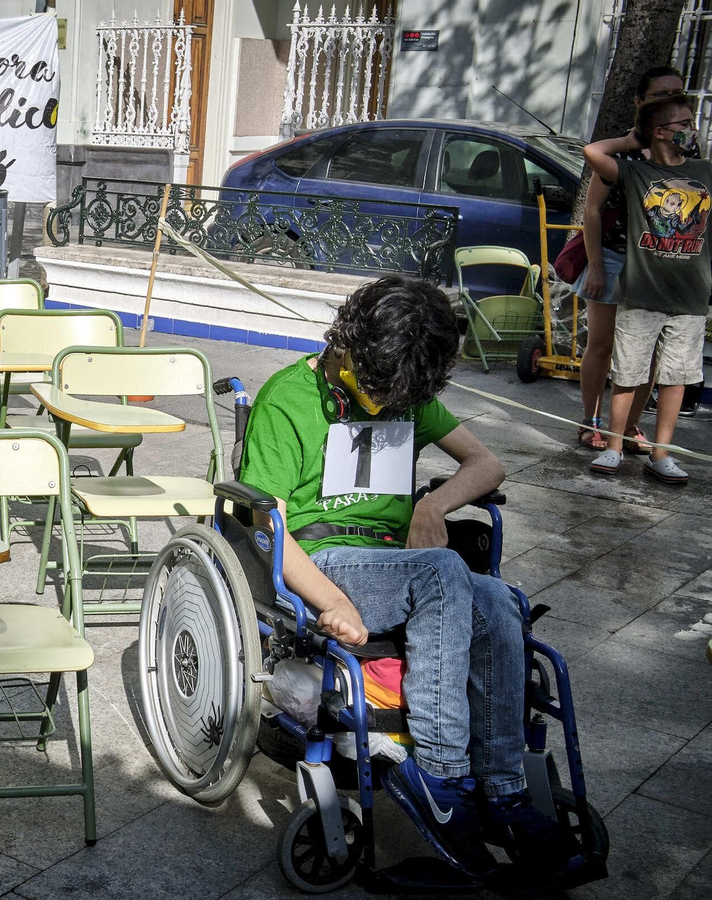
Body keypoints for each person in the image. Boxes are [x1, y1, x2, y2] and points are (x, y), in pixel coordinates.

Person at [239, 276, 580, 879]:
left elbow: (486, 462)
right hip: (326, 558)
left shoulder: (404, 386)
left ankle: (502, 791)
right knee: (447, 570)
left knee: (499, 599)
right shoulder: (287, 399)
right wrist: (333, 599)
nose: (383, 401)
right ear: (345, 343)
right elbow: (270, 529)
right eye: (375, 387)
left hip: (403, 565)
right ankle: (441, 777)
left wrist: (432, 505)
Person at [585, 94, 712, 484]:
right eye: (684, 124)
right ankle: (613, 446)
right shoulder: (636, 172)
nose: (692, 130)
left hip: (690, 298)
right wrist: (632, 140)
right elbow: (592, 151)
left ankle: (662, 454)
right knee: (629, 372)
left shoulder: (706, 171)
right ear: (659, 132)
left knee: (676, 376)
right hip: (640, 294)